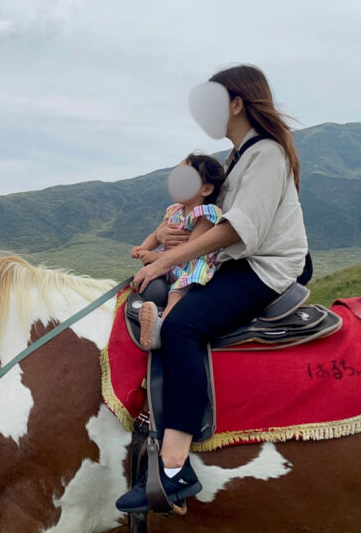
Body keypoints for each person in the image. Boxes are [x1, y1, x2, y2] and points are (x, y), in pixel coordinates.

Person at [116, 64, 309, 513]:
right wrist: (167, 239)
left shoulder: (268, 155)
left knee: (182, 328)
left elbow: (242, 229)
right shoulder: (239, 158)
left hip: (262, 268)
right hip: (235, 263)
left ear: (237, 104)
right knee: (154, 301)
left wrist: (165, 260)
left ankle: (173, 469)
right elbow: (208, 221)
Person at [131, 154, 226, 350]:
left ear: (206, 189)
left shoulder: (206, 213)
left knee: (176, 293)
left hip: (189, 266)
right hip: (168, 264)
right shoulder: (174, 210)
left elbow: (193, 248)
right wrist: (143, 248)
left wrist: (156, 258)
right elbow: (156, 235)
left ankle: (160, 328)